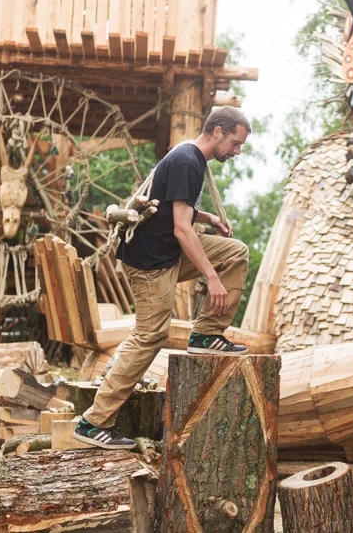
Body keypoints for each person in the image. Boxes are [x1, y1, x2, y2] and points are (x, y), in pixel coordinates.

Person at [73, 106, 252, 449]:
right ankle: (93, 422)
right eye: (235, 142)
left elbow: (176, 209)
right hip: (151, 262)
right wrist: (212, 278)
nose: (237, 151)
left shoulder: (191, 157)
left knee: (235, 252)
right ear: (217, 132)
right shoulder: (187, 161)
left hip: (167, 251)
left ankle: (206, 335)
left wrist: (209, 217)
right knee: (150, 335)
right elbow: (182, 229)